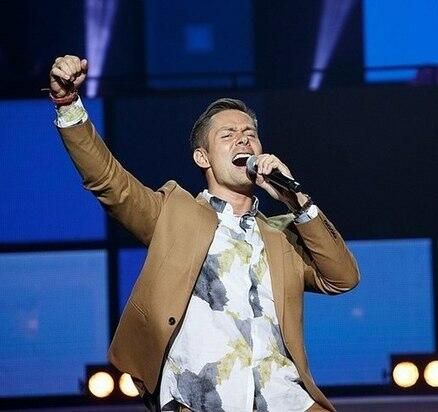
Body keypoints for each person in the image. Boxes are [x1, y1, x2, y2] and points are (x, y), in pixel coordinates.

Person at [50, 55, 360, 412]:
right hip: (203, 399)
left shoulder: (282, 236)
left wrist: (297, 202)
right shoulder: (174, 214)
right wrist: (68, 104)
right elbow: (109, 181)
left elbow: (343, 278)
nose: (243, 141)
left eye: (250, 135)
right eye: (228, 135)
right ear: (203, 158)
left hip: (284, 398)